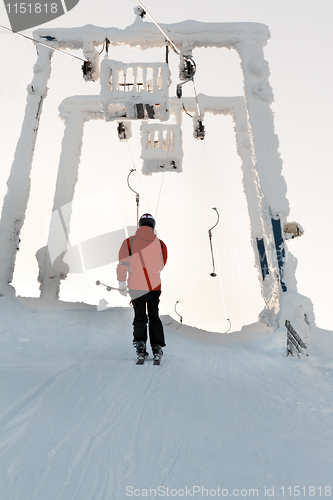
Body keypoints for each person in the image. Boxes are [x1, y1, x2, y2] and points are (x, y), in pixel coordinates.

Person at [117, 213, 168, 363]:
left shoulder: (129, 242)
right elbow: (161, 265)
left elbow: (123, 263)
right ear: (153, 226)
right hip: (154, 286)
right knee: (154, 315)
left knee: (140, 316)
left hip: (135, 286)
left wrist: (121, 282)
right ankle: (157, 346)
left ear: (140, 225)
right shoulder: (160, 244)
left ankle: (140, 345)